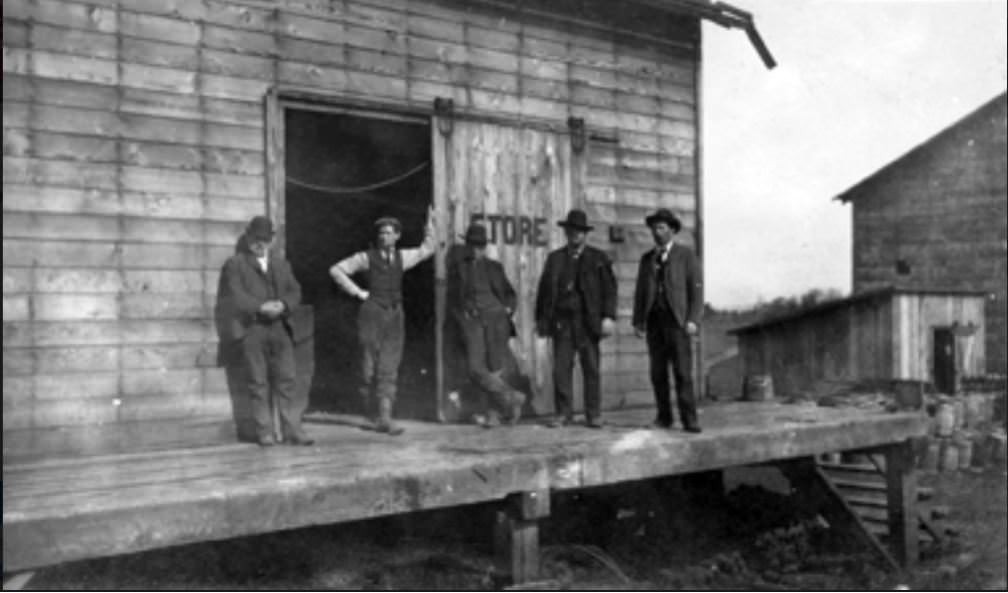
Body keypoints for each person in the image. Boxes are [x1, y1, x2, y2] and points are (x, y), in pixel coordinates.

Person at [329, 207, 437, 435]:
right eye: (381, 233)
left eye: (389, 233)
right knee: (369, 365)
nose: (384, 237)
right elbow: (336, 270)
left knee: (389, 364)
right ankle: (371, 412)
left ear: (397, 236)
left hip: (395, 314)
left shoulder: (402, 257)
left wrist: (430, 226)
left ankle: (385, 417)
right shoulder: (365, 257)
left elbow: (428, 249)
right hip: (372, 313)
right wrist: (359, 293)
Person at [219, 216, 313, 447]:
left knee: (287, 380)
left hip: (280, 327)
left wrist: (284, 305)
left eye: (265, 239)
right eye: (255, 239)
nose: (259, 244)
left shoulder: (281, 264)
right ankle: (265, 432)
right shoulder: (235, 264)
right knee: (258, 381)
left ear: (272, 240)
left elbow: (295, 290)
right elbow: (236, 295)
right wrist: (260, 307)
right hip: (253, 329)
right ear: (248, 237)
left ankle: (292, 429)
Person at [534, 209, 617, 428]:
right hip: (562, 323)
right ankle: (563, 414)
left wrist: (608, 317)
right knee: (561, 369)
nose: (575, 235)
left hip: (587, 322)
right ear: (566, 233)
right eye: (571, 231)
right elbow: (543, 292)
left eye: (579, 231)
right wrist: (542, 321)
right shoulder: (555, 259)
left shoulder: (598, 259)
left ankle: (593, 414)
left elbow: (610, 290)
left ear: (585, 234)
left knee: (591, 368)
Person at [446, 223, 525, 428]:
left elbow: (510, 294)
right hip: (473, 321)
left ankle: (494, 415)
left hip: (496, 320)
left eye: (480, 246)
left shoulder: (494, 267)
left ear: (485, 246)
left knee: (494, 368)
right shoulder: (458, 268)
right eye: (472, 245)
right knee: (475, 368)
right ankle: (512, 397)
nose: (475, 250)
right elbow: (453, 298)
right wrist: (463, 317)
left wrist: (508, 309)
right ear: (467, 245)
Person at [632, 208, 703, 433]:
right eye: (654, 228)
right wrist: (638, 321)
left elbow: (696, 291)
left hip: (678, 322)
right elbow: (640, 292)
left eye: (661, 227)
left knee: (682, 372)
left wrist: (693, 319)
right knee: (658, 373)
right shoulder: (647, 259)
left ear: (672, 230)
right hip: (655, 322)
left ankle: (689, 420)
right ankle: (664, 417)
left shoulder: (686, 256)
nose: (657, 232)